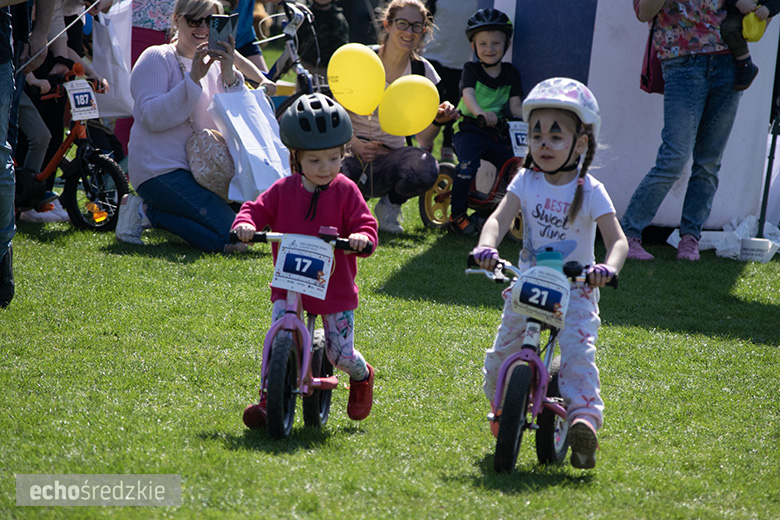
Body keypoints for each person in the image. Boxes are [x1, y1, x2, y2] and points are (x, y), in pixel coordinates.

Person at [471, 78, 628, 469]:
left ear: (581, 144)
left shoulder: (591, 190)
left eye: (556, 137)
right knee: (498, 360)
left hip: (576, 289)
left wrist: (606, 269)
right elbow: (497, 219)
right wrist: (486, 247)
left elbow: (618, 242)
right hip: (529, 284)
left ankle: (583, 423)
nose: (543, 143)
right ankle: (504, 408)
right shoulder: (525, 180)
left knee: (577, 358)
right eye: (536, 134)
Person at [234, 93, 378, 428]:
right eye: (315, 161)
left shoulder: (345, 191)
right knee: (276, 336)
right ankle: (269, 400)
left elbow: (364, 223)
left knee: (339, 354)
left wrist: (361, 238)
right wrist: (245, 224)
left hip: (334, 289)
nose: (326, 168)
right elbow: (256, 209)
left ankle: (361, 375)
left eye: (333, 158)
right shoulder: (283, 190)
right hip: (289, 284)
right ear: (296, 159)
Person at [115, 0, 247, 252]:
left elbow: (238, 122)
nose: (203, 28)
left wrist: (230, 73)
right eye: (194, 21)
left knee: (247, 230)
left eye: (212, 22)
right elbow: (150, 117)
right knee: (233, 241)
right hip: (160, 171)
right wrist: (193, 79)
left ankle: (157, 212)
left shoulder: (218, 64)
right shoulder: (157, 56)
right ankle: (146, 211)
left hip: (207, 172)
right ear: (176, 19)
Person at [623, 0, 744, 261]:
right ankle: (628, 234)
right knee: (673, 159)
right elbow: (643, 12)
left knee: (709, 161)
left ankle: (690, 238)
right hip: (681, 61)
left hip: (729, 60)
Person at [341, 0, 458, 234]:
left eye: (417, 26)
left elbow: (423, 138)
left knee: (426, 167)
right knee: (333, 172)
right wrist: (356, 145)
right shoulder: (362, 60)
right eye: (402, 24)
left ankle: (390, 205)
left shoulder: (423, 72)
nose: (409, 31)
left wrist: (438, 120)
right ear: (387, 24)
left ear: (424, 31)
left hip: (390, 159)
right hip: (349, 153)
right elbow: (336, 115)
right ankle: (350, 210)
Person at [450, 7, 522, 236]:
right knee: (466, 167)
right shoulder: (471, 69)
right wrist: (481, 113)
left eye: (496, 43)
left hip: (495, 132)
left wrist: (533, 115)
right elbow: (468, 96)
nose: (489, 49)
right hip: (470, 129)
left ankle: (489, 212)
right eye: (483, 44)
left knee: (513, 166)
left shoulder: (511, 73)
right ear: (474, 47)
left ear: (506, 45)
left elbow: (515, 106)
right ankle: (457, 216)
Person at [2, 0, 54, 308]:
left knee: (10, 156)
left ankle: (26, 199)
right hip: (16, 69)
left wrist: (41, 32)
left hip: (12, 64)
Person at [422, 0, 477, 163]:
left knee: (454, 103)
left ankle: (447, 144)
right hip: (434, 54)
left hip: (461, 59)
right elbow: (426, 18)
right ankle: (425, 141)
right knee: (432, 101)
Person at [721, 0, 779, 90]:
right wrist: (737, 2)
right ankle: (745, 63)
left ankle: (745, 65)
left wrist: (768, 9)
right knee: (729, 28)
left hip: (755, 15)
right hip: (731, 13)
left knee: (730, 28)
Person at [297, 0, 349, 78]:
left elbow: (341, 48)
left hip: (327, 69)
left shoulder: (337, 19)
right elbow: (296, 39)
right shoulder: (305, 15)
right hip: (306, 65)